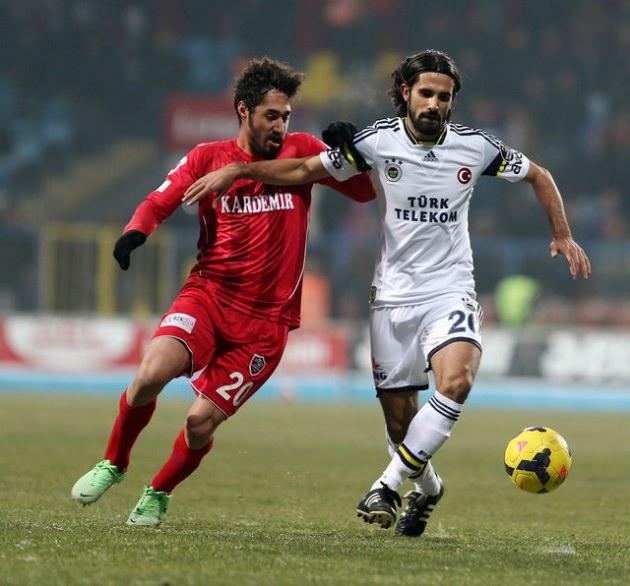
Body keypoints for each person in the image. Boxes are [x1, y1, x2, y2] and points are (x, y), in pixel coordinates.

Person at [181, 50, 592, 537]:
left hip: (451, 290)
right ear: (406, 93)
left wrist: (562, 234)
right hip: (393, 298)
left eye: (444, 97)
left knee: (457, 381)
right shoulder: (377, 142)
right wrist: (240, 171)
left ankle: (387, 486)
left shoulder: (475, 147)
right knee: (401, 426)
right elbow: (304, 171)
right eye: (427, 94)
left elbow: (539, 175)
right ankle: (429, 489)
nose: (435, 104)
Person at [70, 57, 375, 528]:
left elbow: (364, 193)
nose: (280, 126)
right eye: (271, 116)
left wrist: (348, 152)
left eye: (286, 117)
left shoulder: (301, 150)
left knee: (199, 424)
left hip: (265, 326)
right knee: (149, 375)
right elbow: (159, 200)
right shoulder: (206, 158)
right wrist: (135, 231)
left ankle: (158, 492)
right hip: (208, 296)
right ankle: (114, 462)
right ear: (243, 111)